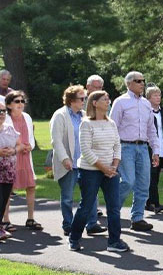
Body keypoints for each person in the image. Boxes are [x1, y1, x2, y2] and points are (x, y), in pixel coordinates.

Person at [69, 90, 129, 252]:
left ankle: (114, 241)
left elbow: (117, 145)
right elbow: (86, 151)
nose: (108, 101)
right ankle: (74, 238)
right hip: (90, 171)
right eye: (105, 99)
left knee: (114, 207)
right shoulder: (86, 124)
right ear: (94, 103)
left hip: (111, 171)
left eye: (108, 98)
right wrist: (104, 168)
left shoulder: (111, 123)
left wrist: (114, 167)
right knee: (86, 206)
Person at [50, 85, 107, 236]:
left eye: (85, 98)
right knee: (68, 197)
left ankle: (92, 224)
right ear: (71, 100)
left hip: (85, 163)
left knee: (91, 195)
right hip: (68, 164)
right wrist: (64, 159)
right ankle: (68, 224)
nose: (84, 101)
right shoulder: (60, 115)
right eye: (82, 98)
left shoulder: (84, 115)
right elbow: (56, 141)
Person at [110, 71, 159, 231]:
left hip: (143, 147)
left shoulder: (146, 104)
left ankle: (137, 218)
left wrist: (155, 151)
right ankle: (113, 212)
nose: (142, 84)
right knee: (128, 181)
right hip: (125, 147)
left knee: (144, 184)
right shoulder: (120, 102)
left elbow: (151, 129)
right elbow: (113, 127)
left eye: (143, 81)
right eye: (138, 81)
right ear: (129, 83)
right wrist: (113, 151)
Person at [3, 91, 43, 230]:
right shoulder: (5, 118)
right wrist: (17, 148)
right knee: (7, 188)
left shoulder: (27, 117)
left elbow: (30, 135)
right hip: (11, 156)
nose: (21, 104)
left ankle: (30, 218)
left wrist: (30, 146)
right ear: (9, 105)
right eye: (17, 101)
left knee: (31, 186)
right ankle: (5, 219)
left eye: (22, 101)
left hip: (26, 156)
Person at [145, 83, 163, 214]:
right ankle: (153, 203)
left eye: (159, 95)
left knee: (156, 176)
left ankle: (150, 202)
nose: (158, 97)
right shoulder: (146, 112)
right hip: (150, 149)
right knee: (152, 175)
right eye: (155, 95)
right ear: (149, 98)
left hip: (162, 148)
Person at [85, 74, 108, 218]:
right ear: (88, 87)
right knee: (90, 183)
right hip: (88, 148)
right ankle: (90, 216)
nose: (98, 90)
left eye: (100, 87)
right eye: (95, 87)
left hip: (103, 147)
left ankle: (94, 210)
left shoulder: (105, 103)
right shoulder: (81, 101)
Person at [0, 101, 21, 241]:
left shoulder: (9, 129)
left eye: (3, 111)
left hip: (8, 171)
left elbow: (20, 145)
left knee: (4, 200)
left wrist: (13, 150)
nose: (1, 114)